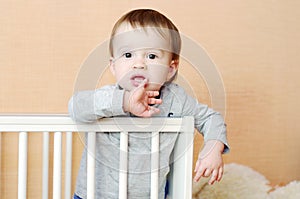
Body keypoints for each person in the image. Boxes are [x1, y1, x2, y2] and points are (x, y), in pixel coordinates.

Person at [69, 9, 229, 199]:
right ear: (113, 66)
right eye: (128, 55)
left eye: (151, 56)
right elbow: (76, 106)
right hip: (94, 195)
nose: (139, 64)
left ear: (170, 69)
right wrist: (126, 102)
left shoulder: (175, 100)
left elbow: (210, 118)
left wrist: (213, 147)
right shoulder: (109, 97)